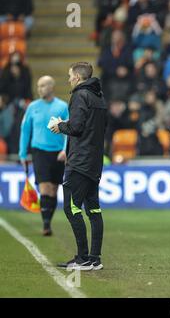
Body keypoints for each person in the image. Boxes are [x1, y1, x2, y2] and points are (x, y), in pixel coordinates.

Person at [50, 62, 108, 271]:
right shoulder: (99, 97)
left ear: (76, 77)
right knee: (93, 209)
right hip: (94, 161)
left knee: (71, 207)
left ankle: (83, 258)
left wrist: (60, 126)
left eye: (69, 76)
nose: (68, 79)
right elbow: (96, 127)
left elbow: (76, 127)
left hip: (80, 162)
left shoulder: (79, 95)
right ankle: (95, 258)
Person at [19, 76, 69, 236]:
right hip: (39, 151)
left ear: (51, 87)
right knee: (45, 186)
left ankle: (48, 220)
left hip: (57, 153)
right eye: (38, 86)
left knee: (54, 189)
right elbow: (25, 130)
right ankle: (46, 224)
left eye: (43, 86)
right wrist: (22, 153)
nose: (40, 89)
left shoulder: (62, 106)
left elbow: (70, 129)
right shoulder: (33, 107)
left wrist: (65, 149)